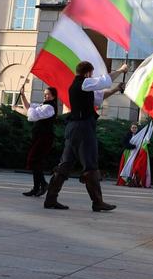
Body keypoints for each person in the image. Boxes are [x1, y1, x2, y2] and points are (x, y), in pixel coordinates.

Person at [44, 61, 128, 212]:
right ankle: (97, 202)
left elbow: (98, 97)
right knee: (90, 165)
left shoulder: (79, 86)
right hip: (83, 128)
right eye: (91, 73)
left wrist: (116, 89)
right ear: (87, 73)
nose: (92, 76)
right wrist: (121, 70)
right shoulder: (84, 83)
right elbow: (104, 80)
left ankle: (50, 199)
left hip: (73, 128)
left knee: (65, 164)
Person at [19, 86, 58, 197]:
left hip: (44, 138)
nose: (45, 95)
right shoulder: (43, 105)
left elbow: (32, 115)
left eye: (47, 94)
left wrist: (19, 109)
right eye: (45, 94)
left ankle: (43, 184)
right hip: (39, 137)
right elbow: (28, 107)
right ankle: (37, 188)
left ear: (53, 96)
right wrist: (22, 95)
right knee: (36, 162)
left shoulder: (50, 108)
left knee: (33, 160)